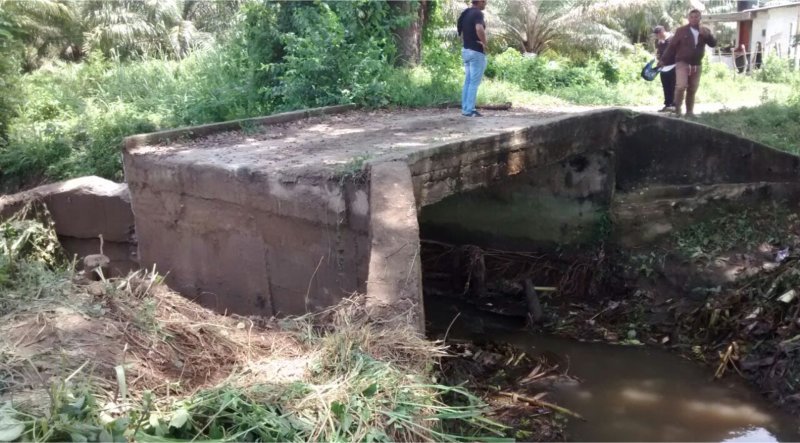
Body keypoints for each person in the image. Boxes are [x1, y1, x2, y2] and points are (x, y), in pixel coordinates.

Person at [660, 9, 717, 117]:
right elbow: (671, 46)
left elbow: (713, 44)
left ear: (700, 18)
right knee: (681, 86)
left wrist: (707, 35)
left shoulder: (705, 30)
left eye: (696, 17)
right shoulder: (681, 31)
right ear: (688, 18)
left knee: (692, 88)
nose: (694, 19)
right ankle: (677, 109)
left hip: (697, 64)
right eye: (692, 17)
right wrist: (663, 60)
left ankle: (689, 112)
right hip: (682, 62)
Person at [457, 0, 488, 117]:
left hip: (466, 50)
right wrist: (485, 43)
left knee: (468, 81)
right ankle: (469, 110)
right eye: (484, 1)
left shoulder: (465, 13)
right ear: (479, 1)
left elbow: (461, 33)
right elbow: (479, 29)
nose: (486, 3)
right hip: (476, 51)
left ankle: (465, 108)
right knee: (474, 83)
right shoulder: (477, 13)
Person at [653, 26, 676, 112]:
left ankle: (674, 106)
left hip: (673, 66)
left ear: (663, 32)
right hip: (663, 68)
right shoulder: (659, 41)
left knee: (673, 86)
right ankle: (667, 105)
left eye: (658, 34)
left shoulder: (672, 39)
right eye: (656, 35)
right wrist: (658, 61)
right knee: (665, 86)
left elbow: (673, 52)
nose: (657, 36)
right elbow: (659, 53)